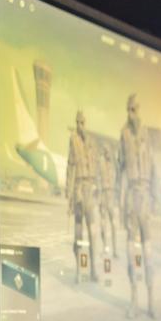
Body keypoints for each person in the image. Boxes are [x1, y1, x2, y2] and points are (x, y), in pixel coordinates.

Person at [119, 93, 157, 318]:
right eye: (128, 109)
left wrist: (153, 199)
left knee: (149, 253)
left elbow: (153, 167)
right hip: (132, 196)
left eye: (134, 109)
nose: (131, 113)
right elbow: (120, 169)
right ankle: (134, 299)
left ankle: (151, 300)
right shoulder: (123, 135)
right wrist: (120, 200)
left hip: (144, 197)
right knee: (131, 252)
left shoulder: (147, 135)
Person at [65, 109, 99, 284]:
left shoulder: (92, 142)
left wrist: (97, 188)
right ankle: (79, 270)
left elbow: (97, 166)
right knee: (78, 234)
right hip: (78, 189)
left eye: (82, 122)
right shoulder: (73, 140)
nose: (79, 126)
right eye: (77, 122)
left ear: (86, 123)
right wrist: (68, 193)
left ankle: (93, 270)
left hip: (89, 191)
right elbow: (70, 166)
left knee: (93, 234)